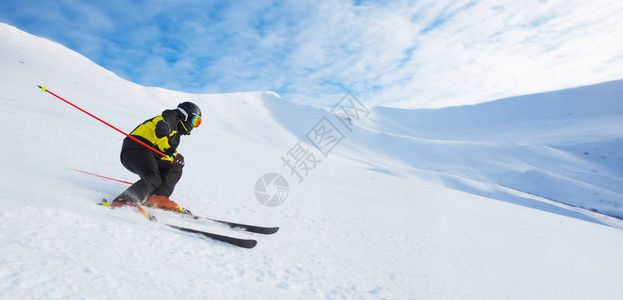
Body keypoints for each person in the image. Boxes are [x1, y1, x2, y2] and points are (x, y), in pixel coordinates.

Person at [111, 102, 202, 214]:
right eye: (195, 121)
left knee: (175, 168)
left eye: (198, 123)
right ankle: (124, 201)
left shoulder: (176, 136)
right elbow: (161, 133)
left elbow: (164, 152)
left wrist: (174, 159)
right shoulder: (168, 118)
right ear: (185, 116)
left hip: (149, 153)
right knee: (152, 176)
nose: (195, 126)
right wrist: (172, 153)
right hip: (135, 147)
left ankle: (156, 197)